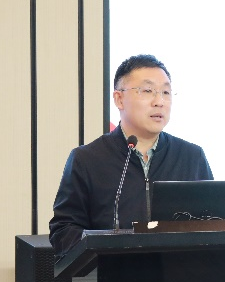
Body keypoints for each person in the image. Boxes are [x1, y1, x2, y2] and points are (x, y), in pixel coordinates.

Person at [49, 54, 212, 255]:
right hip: (111, 271)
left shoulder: (191, 157)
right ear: (119, 99)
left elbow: (214, 224)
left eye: (166, 92)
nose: (159, 101)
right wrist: (107, 246)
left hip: (178, 272)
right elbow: (63, 232)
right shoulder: (87, 159)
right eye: (147, 91)